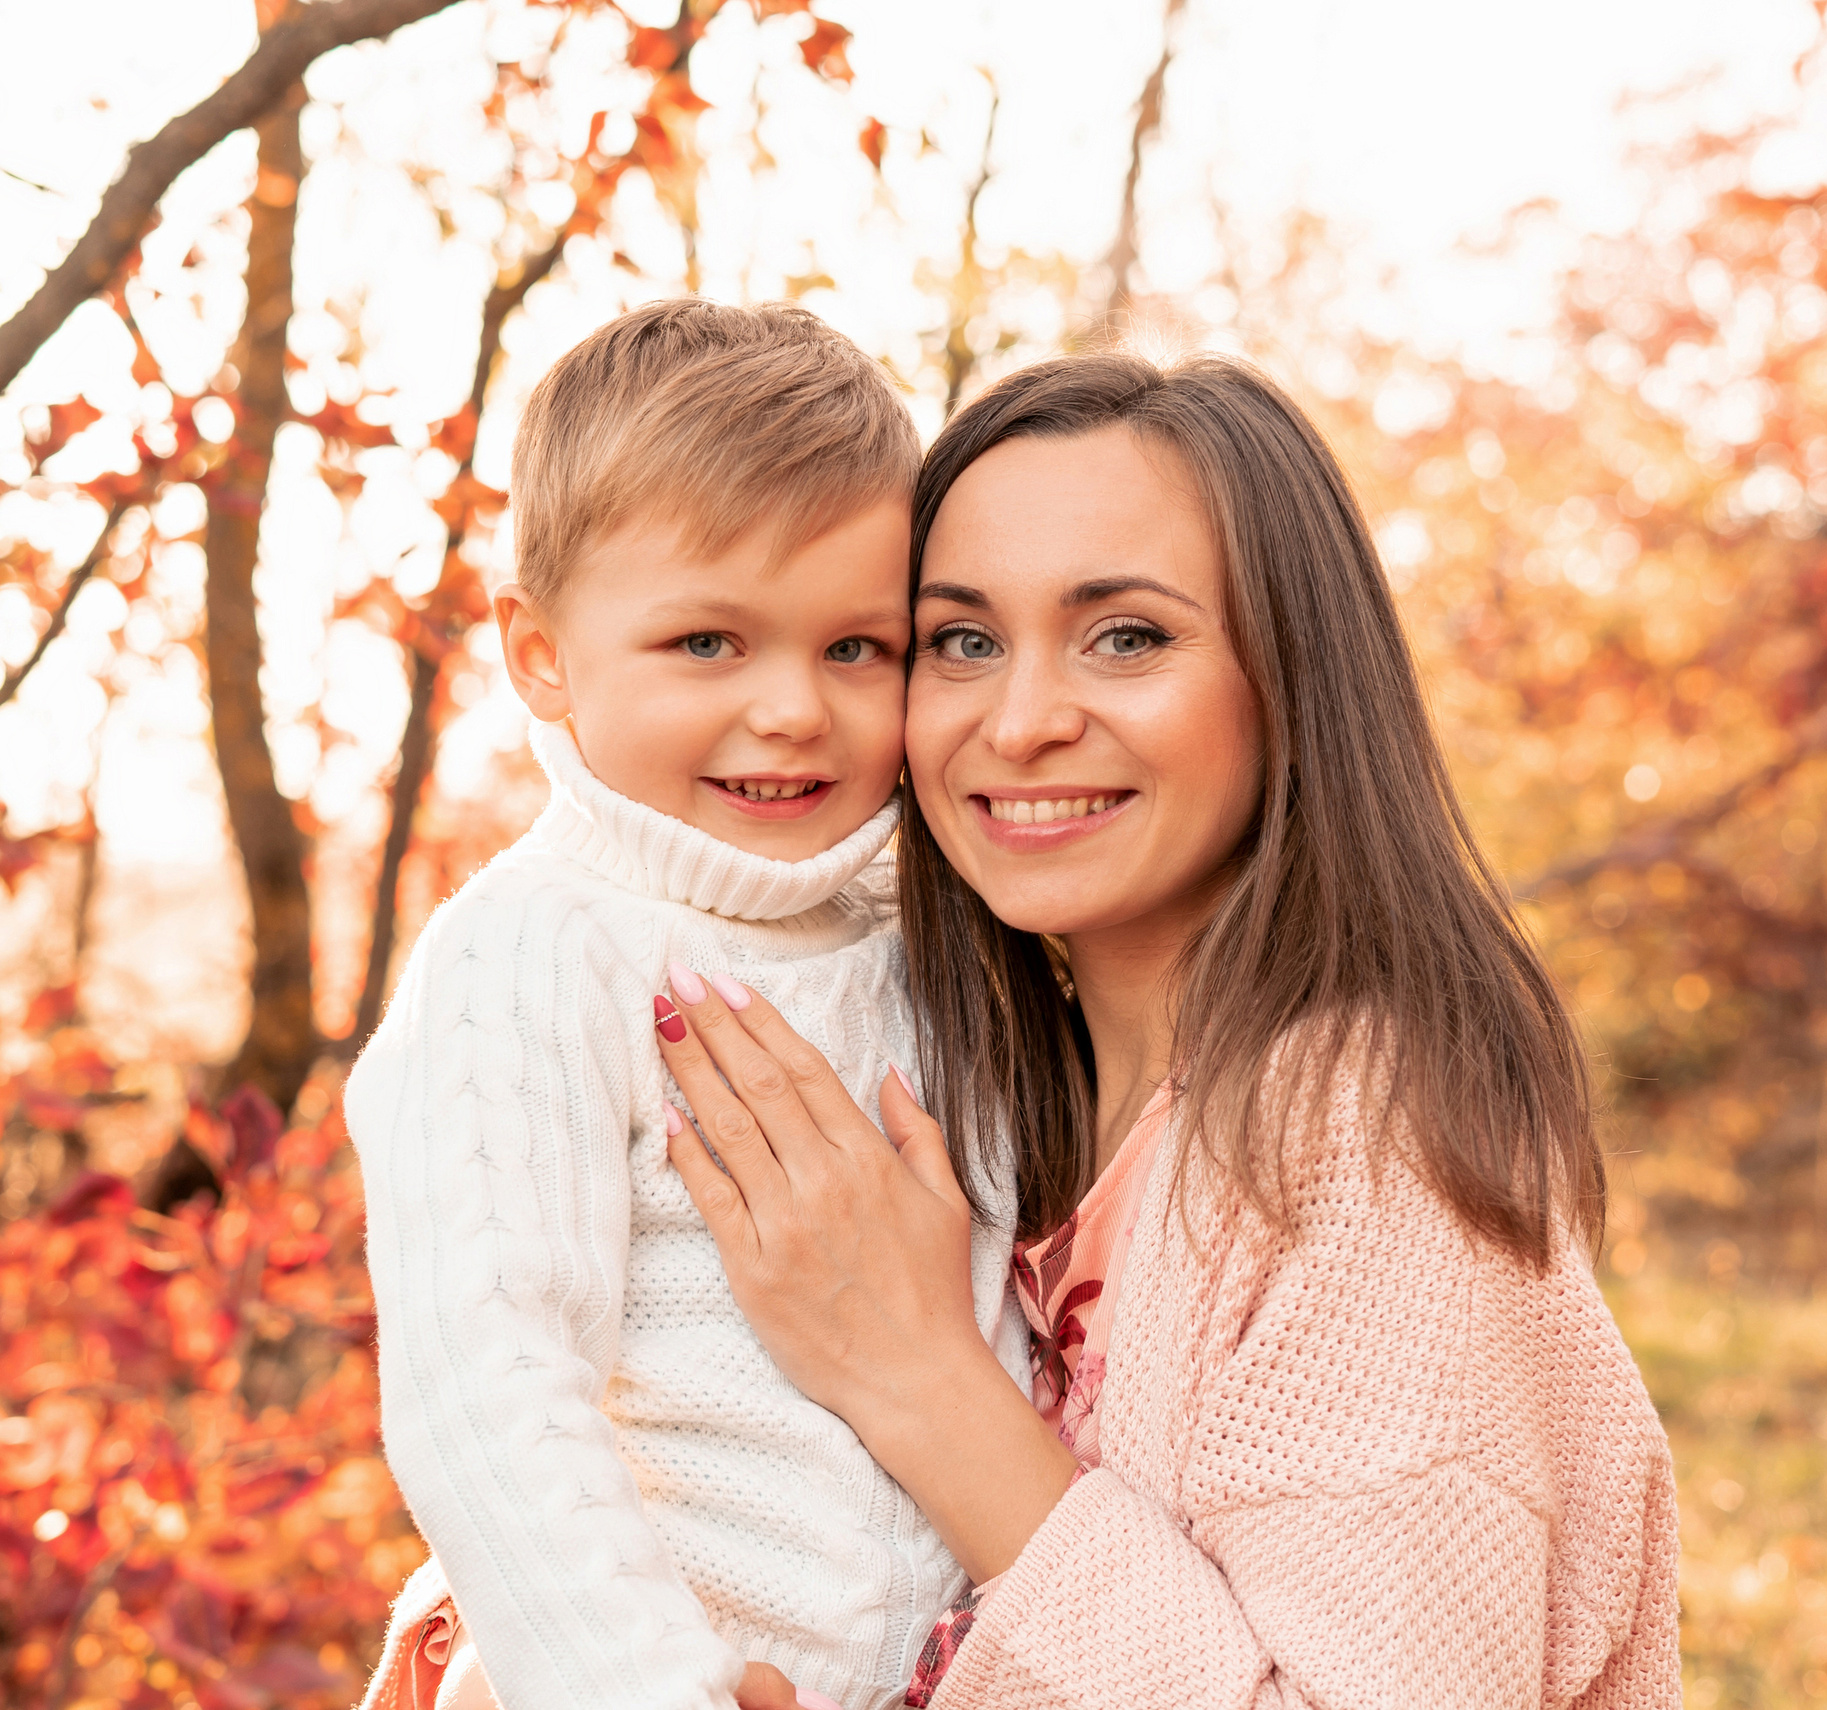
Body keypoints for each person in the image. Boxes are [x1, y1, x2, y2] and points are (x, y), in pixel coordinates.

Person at [651, 352, 1683, 1707]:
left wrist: (918, 1377)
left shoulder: (1373, 1148)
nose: (1022, 722)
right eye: (962, 642)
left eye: (1127, 636)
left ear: (1291, 679)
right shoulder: (973, 1101)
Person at [345, 300, 1027, 1710]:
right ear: (541, 652)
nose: (793, 710)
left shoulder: (934, 937)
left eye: (857, 648)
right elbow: (491, 1384)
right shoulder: (531, 954)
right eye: (709, 642)